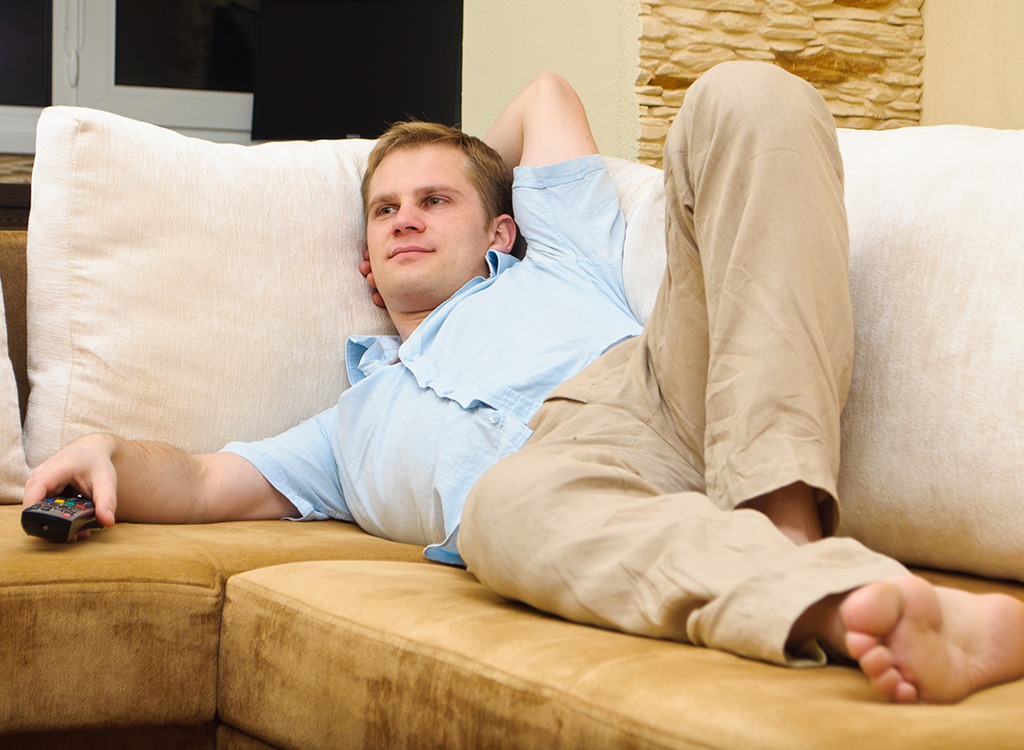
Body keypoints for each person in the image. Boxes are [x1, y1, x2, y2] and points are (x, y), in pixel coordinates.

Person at [24, 62, 1024, 705]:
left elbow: (544, 92)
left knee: (742, 98)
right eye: (383, 211)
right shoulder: (349, 421)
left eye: (436, 202)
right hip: (552, 493)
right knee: (499, 508)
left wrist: (476, 174)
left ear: (500, 227)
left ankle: (781, 522)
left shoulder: (562, 253)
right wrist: (107, 452)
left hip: (657, 393)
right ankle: (861, 597)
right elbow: (199, 485)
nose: (407, 217)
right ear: (365, 268)